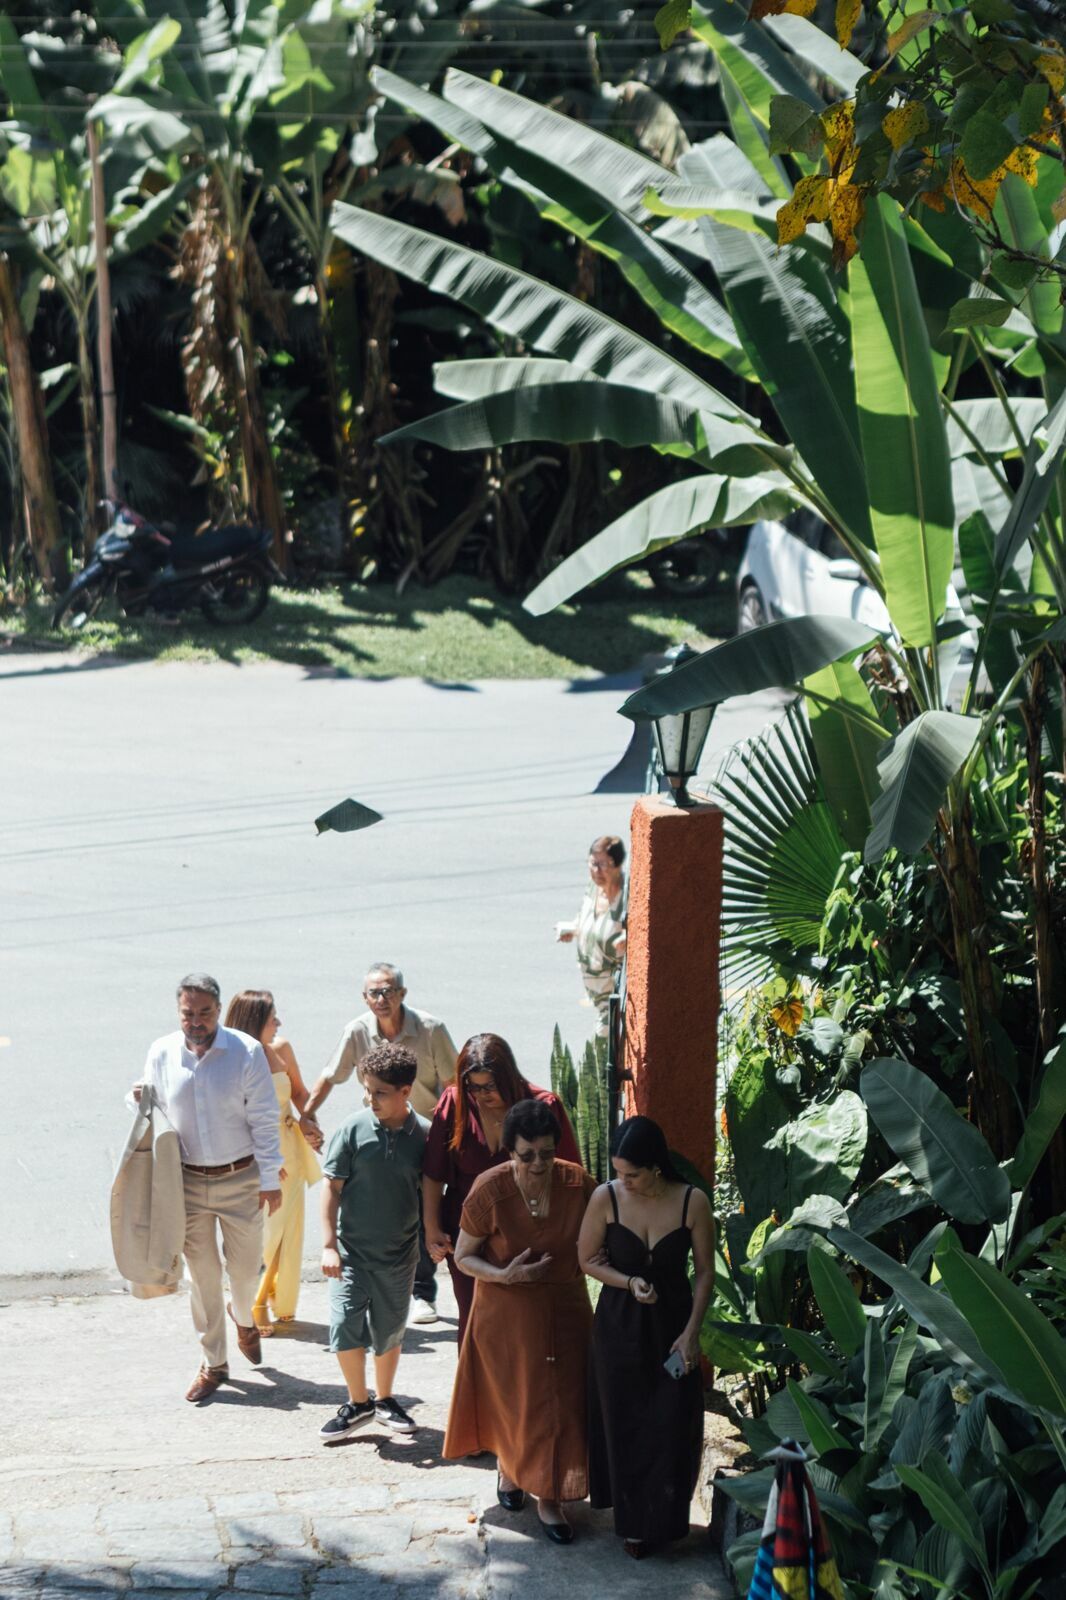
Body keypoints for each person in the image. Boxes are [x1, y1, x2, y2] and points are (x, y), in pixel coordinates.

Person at [444, 1099, 596, 1545]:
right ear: (510, 1152)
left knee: (563, 1403)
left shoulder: (576, 1182)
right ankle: (510, 1470)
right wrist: (505, 1275)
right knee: (517, 1402)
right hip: (506, 1313)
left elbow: (604, 1235)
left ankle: (551, 1496)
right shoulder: (489, 1190)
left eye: (546, 1154)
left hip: (566, 1308)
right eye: (526, 1155)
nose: (538, 1164)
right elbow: (463, 1256)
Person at [132, 973, 283, 1404]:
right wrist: (136, 1097)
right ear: (178, 1012)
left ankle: (244, 1318)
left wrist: (271, 1179)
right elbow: (152, 1109)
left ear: (218, 1010)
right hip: (187, 1183)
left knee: (243, 1271)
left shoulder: (245, 1051)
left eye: (204, 1013)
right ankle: (214, 1362)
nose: (195, 1022)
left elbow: (264, 1119)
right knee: (202, 1276)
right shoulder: (161, 1051)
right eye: (187, 1013)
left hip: (242, 1180)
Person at [578, 1116, 714, 1559]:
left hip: (673, 1325)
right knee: (627, 1422)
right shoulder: (606, 1198)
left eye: (631, 1174)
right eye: (619, 1173)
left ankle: (666, 1519)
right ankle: (634, 1526)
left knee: (672, 1421)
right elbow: (586, 1260)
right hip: (619, 1326)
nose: (624, 1181)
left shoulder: (692, 1201)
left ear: (656, 1167)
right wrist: (626, 1281)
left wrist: (692, 1333)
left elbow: (705, 1273)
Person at [301, 962, 456, 1325]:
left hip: (422, 1135)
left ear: (402, 994)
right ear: (364, 997)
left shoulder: (430, 1030)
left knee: (420, 1210)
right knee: (376, 1209)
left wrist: (450, 1134)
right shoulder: (357, 1031)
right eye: (374, 992)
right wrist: (307, 1114)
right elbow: (330, 1075)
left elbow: (453, 1083)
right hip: (377, 1130)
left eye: (388, 991)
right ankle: (373, 1285)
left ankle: (421, 1293)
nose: (381, 999)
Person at [422, 1033, 580, 1346]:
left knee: (525, 1325)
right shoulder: (455, 1102)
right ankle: (475, 1393)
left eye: (489, 1086)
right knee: (474, 1321)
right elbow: (432, 1173)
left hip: (525, 1232)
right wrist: (431, 1228)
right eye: (474, 1086)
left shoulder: (542, 1106)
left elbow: (569, 1177)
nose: (481, 1095)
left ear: (508, 1078)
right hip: (466, 1232)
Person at [318, 1042, 429, 1442]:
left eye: (380, 1092)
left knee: (389, 1330)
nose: (370, 1099)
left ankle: (384, 1399)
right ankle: (357, 1401)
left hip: (399, 1256)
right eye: (367, 1090)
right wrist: (329, 1244)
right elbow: (331, 1189)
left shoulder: (424, 1137)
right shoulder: (352, 1129)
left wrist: (435, 1238)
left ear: (406, 1092)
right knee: (344, 1323)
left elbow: (431, 1192)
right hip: (351, 1253)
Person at [223, 990, 322, 1335]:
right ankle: (251, 1305)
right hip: (259, 1153)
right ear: (253, 1022)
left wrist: (310, 1121)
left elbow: (299, 1093)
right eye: (271, 1019)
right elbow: (231, 1117)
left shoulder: (281, 1049)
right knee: (265, 1232)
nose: (278, 1023)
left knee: (288, 1229)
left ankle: (270, 1300)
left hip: (290, 1145)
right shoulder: (233, 1059)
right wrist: (260, 1161)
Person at [555, 836, 627, 1036]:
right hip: (597, 997)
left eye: (604, 864)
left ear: (618, 864)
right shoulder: (593, 888)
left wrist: (629, 939)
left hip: (615, 1000)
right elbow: (584, 919)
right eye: (593, 863)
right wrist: (573, 928)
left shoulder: (626, 897)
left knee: (606, 1048)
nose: (597, 871)